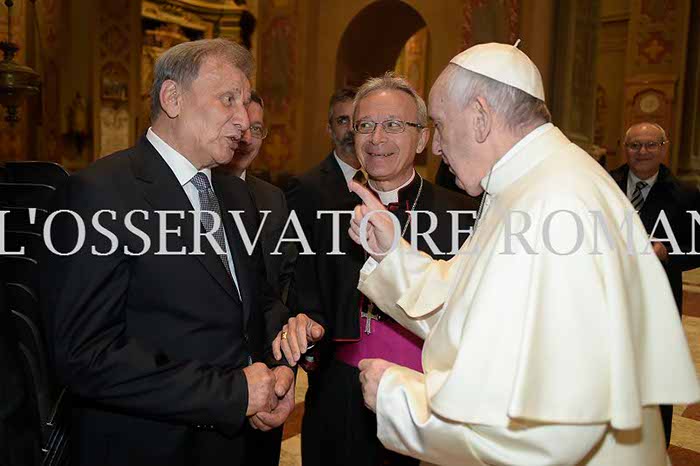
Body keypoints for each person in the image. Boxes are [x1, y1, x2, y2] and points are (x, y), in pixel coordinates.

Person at [341, 43, 700, 465]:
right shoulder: (528, 186)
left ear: (480, 116)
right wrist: (393, 254)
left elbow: (552, 433)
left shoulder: (556, 202)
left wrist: (400, 398)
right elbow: (465, 306)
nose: (435, 147)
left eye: (440, 124)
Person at [41, 39, 294, 466]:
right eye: (228, 99)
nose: (244, 119)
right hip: (149, 447)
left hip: (237, 446)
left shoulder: (236, 195)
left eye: (246, 101)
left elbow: (255, 302)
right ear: (172, 98)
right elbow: (85, 355)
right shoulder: (100, 193)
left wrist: (277, 367)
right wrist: (232, 394)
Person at [280, 74, 478, 466]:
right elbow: (306, 295)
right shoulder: (324, 209)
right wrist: (306, 326)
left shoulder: (463, 215)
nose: (376, 138)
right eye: (365, 125)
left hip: (426, 399)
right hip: (338, 395)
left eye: (392, 125)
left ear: (422, 139)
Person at [610, 121, 700, 447]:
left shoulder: (687, 194)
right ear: (625, 148)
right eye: (635, 145)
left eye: (650, 145)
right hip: (609, 294)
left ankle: (656, 447)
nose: (642, 152)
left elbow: (697, 247)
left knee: (657, 374)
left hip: (657, 299)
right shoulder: (604, 183)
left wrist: (667, 253)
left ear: (664, 148)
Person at [222, 90, 297, 466]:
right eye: (239, 127)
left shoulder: (272, 199)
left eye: (257, 129)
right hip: (212, 385)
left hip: (269, 374)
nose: (247, 138)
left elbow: (281, 286)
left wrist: (283, 365)